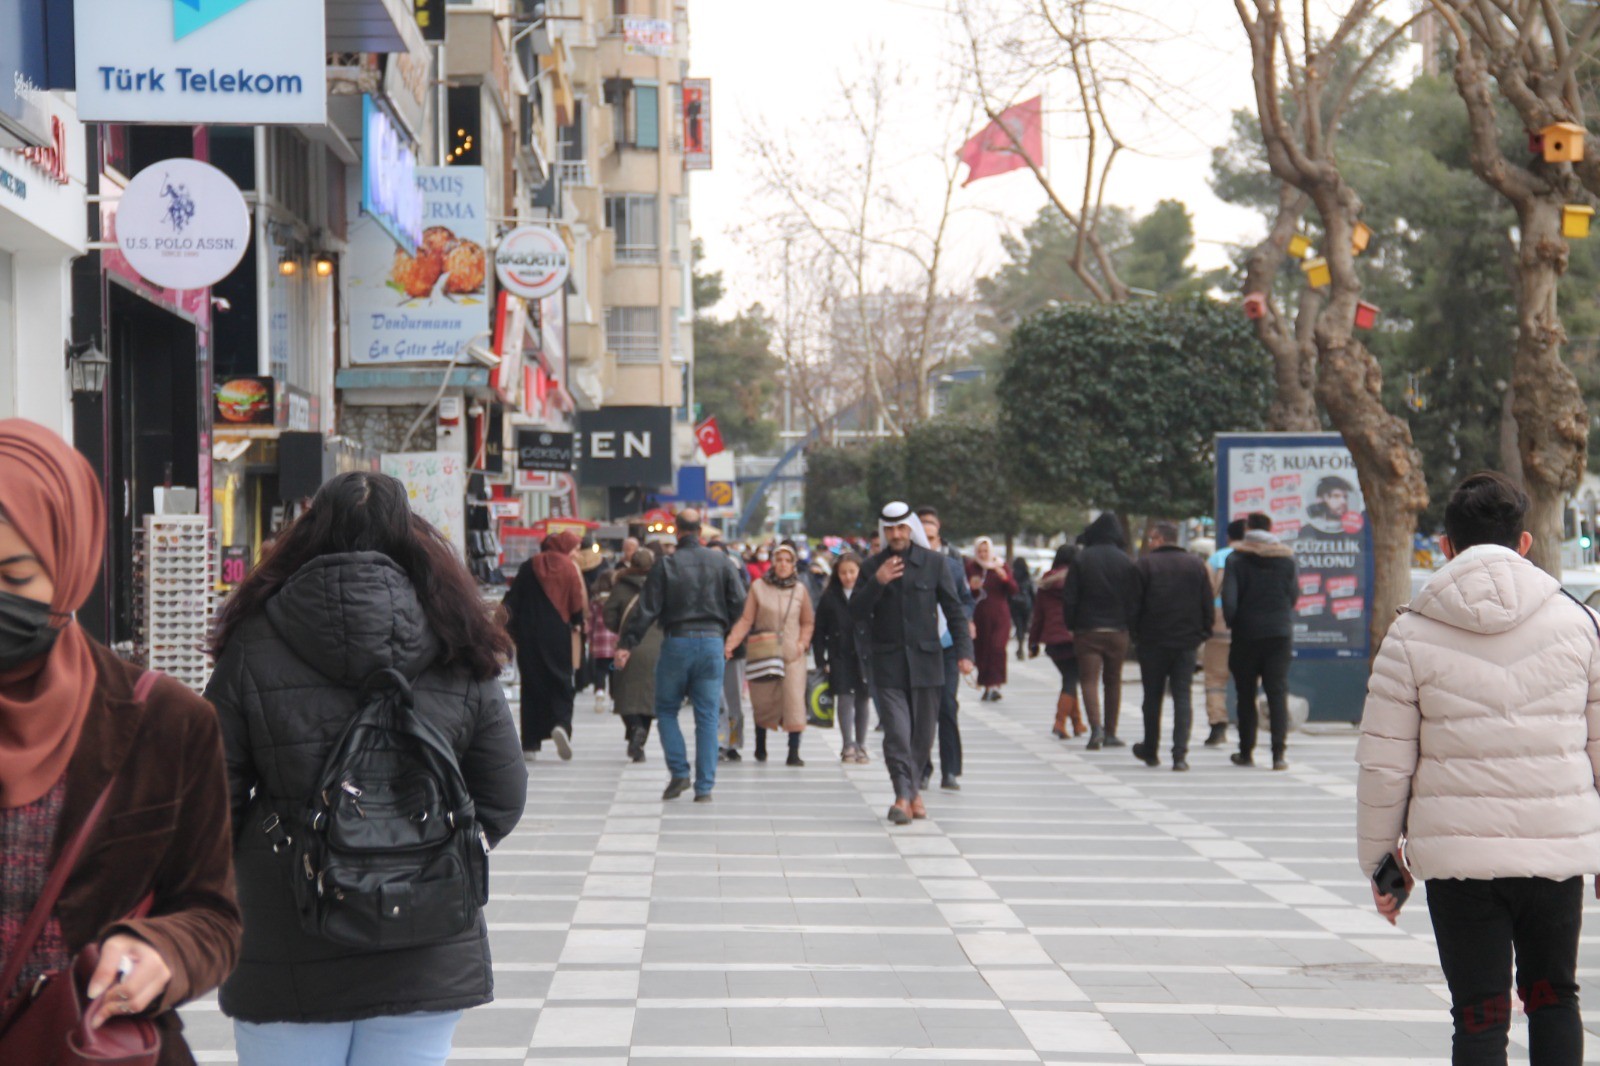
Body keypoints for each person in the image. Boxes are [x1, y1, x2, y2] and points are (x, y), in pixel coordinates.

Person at [207, 470, 527, 1065]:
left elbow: (206, 797)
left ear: (306, 535)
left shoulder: (254, 640)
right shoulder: (458, 641)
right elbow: (503, 794)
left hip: (286, 936)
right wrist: (427, 845)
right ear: (413, 538)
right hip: (425, 931)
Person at [0, 419, 240, 1066]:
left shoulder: (166, 721)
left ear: (70, 565)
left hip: (81, 1046)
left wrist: (159, 950)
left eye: (14, 577)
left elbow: (212, 915)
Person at [1358, 471, 1600, 1066]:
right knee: (1553, 998)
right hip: (1554, 855)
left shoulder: (1409, 634)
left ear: (1446, 545)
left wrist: (1385, 869)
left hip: (1459, 865)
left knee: (1479, 1014)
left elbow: (1384, 764)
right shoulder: (1579, 625)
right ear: (1524, 542)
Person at [853, 502, 974, 825]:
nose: (895, 534)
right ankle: (903, 796)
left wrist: (965, 652)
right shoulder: (871, 567)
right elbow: (855, 613)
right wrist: (877, 581)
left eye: (901, 528)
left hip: (926, 663)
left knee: (922, 735)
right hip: (887, 662)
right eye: (889, 529)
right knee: (897, 732)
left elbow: (955, 611)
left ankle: (913, 795)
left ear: (910, 529)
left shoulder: (935, 564)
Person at [616, 508, 746, 802]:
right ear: (701, 532)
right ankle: (705, 787)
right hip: (712, 642)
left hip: (677, 640)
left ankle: (679, 772)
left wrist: (627, 644)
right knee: (708, 716)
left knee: (666, 710)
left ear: (677, 531)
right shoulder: (721, 562)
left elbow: (645, 609)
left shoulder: (667, 565)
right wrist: (723, 629)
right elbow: (740, 602)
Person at [1130, 522, 1213, 772]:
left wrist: (1137, 637)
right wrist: (1201, 634)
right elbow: (1206, 603)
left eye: (1152, 537)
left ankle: (1151, 750)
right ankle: (1180, 755)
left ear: (1160, 539)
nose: (1150, 542)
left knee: (1152, 697)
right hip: (1186, 642)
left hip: (1153, 641)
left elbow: (1133, 605)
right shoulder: (1196, 565)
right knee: (1182, 697)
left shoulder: (1144, 565)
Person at [726, 541, 815, 766]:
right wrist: (731, 643)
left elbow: (807, 621)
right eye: (779, 560)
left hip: (792, 654)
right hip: (763, 652)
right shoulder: (758, 587)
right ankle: (760, 745)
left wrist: (802, 644)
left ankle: (793, 751)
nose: (783, 565)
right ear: (772, 563)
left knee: (794, 701)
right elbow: (747, 619)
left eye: (788, 561)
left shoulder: (800, 590)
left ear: (794, 564)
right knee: (763, 699)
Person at [1222, 512, 1299, 770]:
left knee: (1245, 694)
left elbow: (1229, 602)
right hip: (1279, 634)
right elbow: (1293, 596)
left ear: (1248, 529)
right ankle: (1279, 754)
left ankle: (1246, 751)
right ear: (1271, 528)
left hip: (1246, 635)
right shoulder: (1286, 559)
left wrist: (1236, 623)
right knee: (1277, 692)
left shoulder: (1236, 559)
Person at [502, 532, 586, 761]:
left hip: (528, 634)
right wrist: (578, 621)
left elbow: (512, 600)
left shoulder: (529, 566)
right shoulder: (569, 567)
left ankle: (530, 743)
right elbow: (577, 601)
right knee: (562, 682)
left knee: (532, 685)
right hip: (558, 634)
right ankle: (561, 724)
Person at [1062, 512, 1140, 750]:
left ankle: (1095, 729)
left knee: (1088, 680)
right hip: (1117, 630)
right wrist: (1131, 625)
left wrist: (1072, 624)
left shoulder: (1082, 558)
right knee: (1113, 681)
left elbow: (1070, 597)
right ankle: (1110, 732)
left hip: (1088, 629)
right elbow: (1133, 598)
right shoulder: (1125, 560)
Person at [916, 507, 976, 791]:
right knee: (921, 710)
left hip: (948, 644)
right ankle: (922, 767)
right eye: (923, 533)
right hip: (919, 646)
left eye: (932, 533)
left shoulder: (953, 566)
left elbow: (966, 600)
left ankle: (950, 770)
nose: (929, 539)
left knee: (947, 706)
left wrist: (963, 628)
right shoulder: (908, 565)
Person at [814, 552, 872, 763]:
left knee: (863, 700)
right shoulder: (829, 597)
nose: (848, 577)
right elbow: (819, 631)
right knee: (845, 699)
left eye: (852, 572)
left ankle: (862, 744)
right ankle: (848, 743)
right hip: (839, 655)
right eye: (843, 572)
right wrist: (822, 660)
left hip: (864, 655)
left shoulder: (868, 593)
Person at [603, 547, 661, 762]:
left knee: (623, 693)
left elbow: (608, 617)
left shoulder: (620, 586)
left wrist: (622, 627)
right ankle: (639, 739)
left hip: (628, 646)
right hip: (657, 647)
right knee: (648, 697)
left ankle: (634, 729)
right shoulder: (661, 586)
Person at [1029, 544, 1085, 739]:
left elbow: (1038, 616)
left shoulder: (1046, 582)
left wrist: (1033, 642)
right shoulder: (1079, 580)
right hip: (1073, 637)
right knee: (1071, 679)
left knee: (1069, 678)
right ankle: (1059, 722)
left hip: (1052, 640)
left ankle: (1077, 723)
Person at [706, 530, 750, 763]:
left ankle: (733, 742)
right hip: (709, 646)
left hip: (733, 649)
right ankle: (718, 742)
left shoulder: (738, 584)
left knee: (733, 700)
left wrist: (732, 641)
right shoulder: (701, 583)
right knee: (715, 699)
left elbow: (743, 615)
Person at [1201, 519, 1246, 748]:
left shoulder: (1217, 558)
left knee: (1215, 678)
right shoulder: (1254, 556)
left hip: (1218, 626)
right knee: (1245, 679)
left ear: (1228, 537)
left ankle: (1218, 724)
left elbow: (1205, 592)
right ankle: (1245, 722)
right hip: (1247, 627)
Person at [966, 537, 1017, 702]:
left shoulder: (1001, 566)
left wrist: (1004, 578)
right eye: (979, 551)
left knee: (997, 648)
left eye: (985, 551)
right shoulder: (971, 568)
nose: (982, 554)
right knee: (983, 649)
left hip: (1000, 614)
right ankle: (987, 686)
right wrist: (972, 588)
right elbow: (965, 594)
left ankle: (995, 684)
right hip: (980, 615)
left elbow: (1014, 590)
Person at [1010, 556, 1035, 661]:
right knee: (1024, 626)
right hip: (1026, 605)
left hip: (1015, 605)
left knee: (1019, 626)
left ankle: (1020, 646)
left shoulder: (1012, 576)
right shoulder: (1027, 576)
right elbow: (1032, 592)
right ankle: (1022, 644)